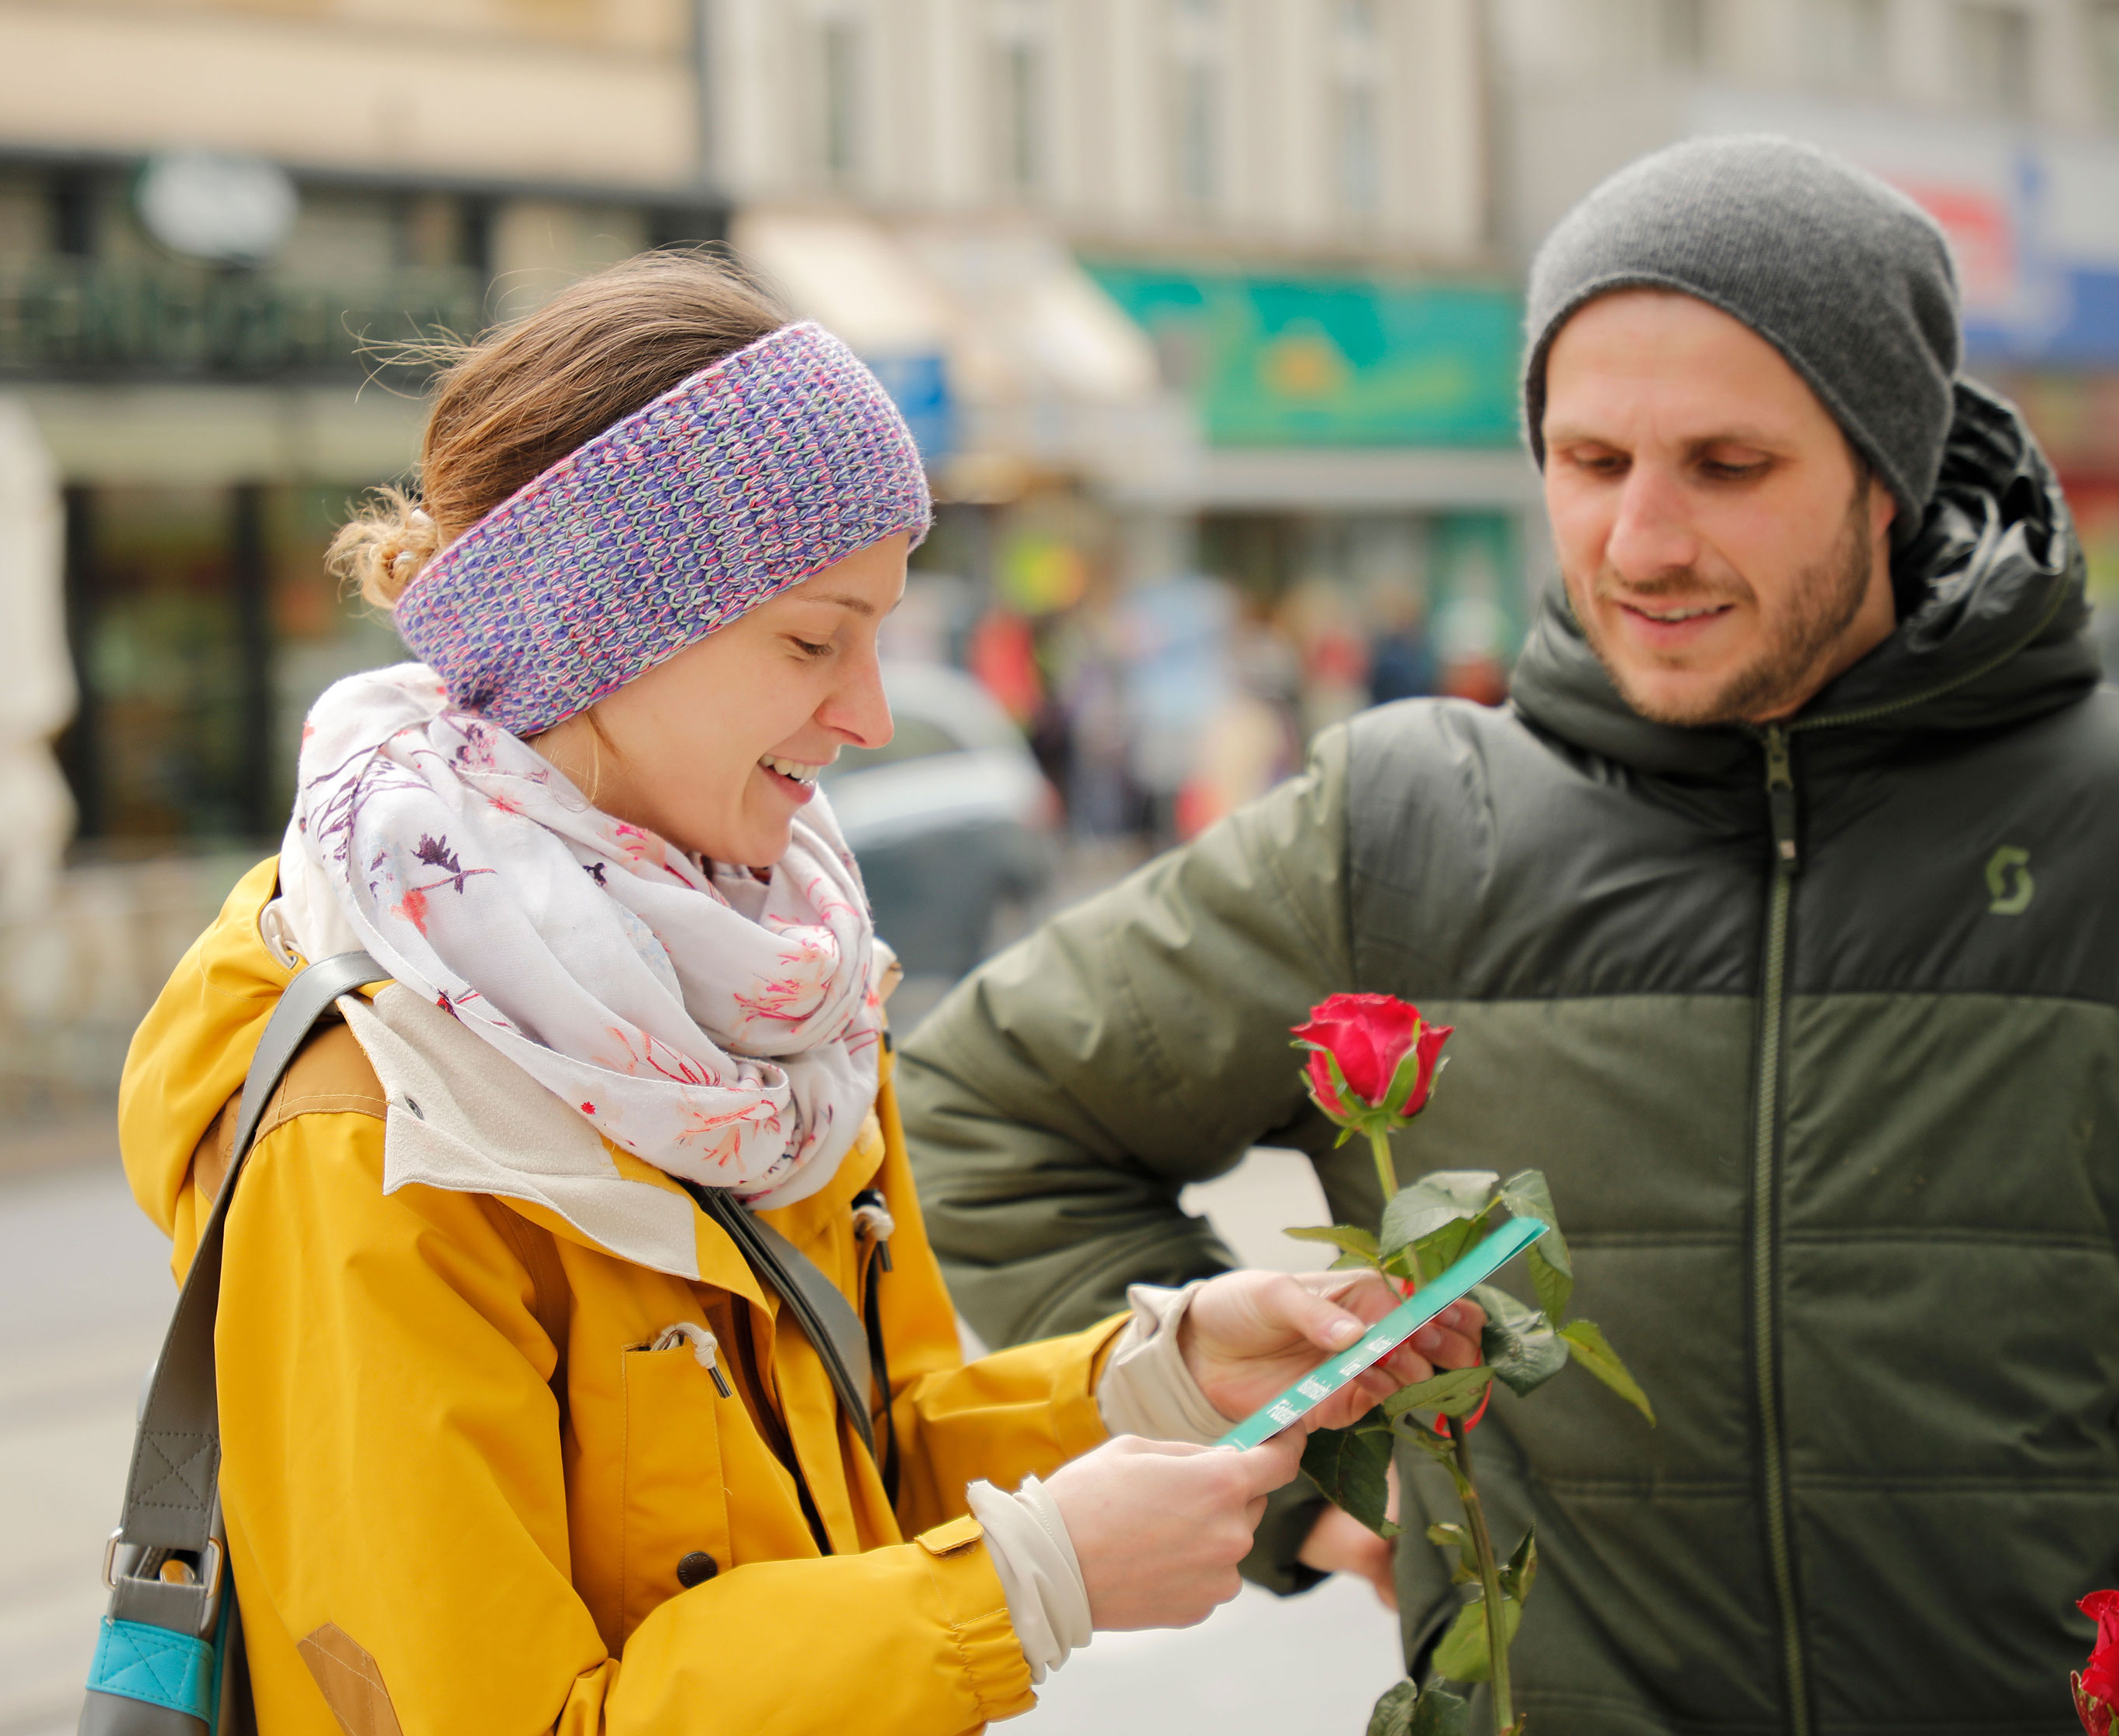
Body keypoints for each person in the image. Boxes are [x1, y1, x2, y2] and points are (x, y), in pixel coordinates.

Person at [896, 135, 2119, 1734]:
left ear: (1890, 469)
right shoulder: (1403, 824)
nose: (1643, 542)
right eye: (1591, 464)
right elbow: (980, 1105)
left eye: (1728, 466)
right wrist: (1306, 1481)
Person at [113, 253, 1483, 1736]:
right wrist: (1020, 1590)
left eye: (880, 633)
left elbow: (859, 1453)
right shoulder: (374, 1118)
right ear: (596, 631)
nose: (871, 712)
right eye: (812, 639)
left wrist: (1162, 1370)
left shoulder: (778, 992)